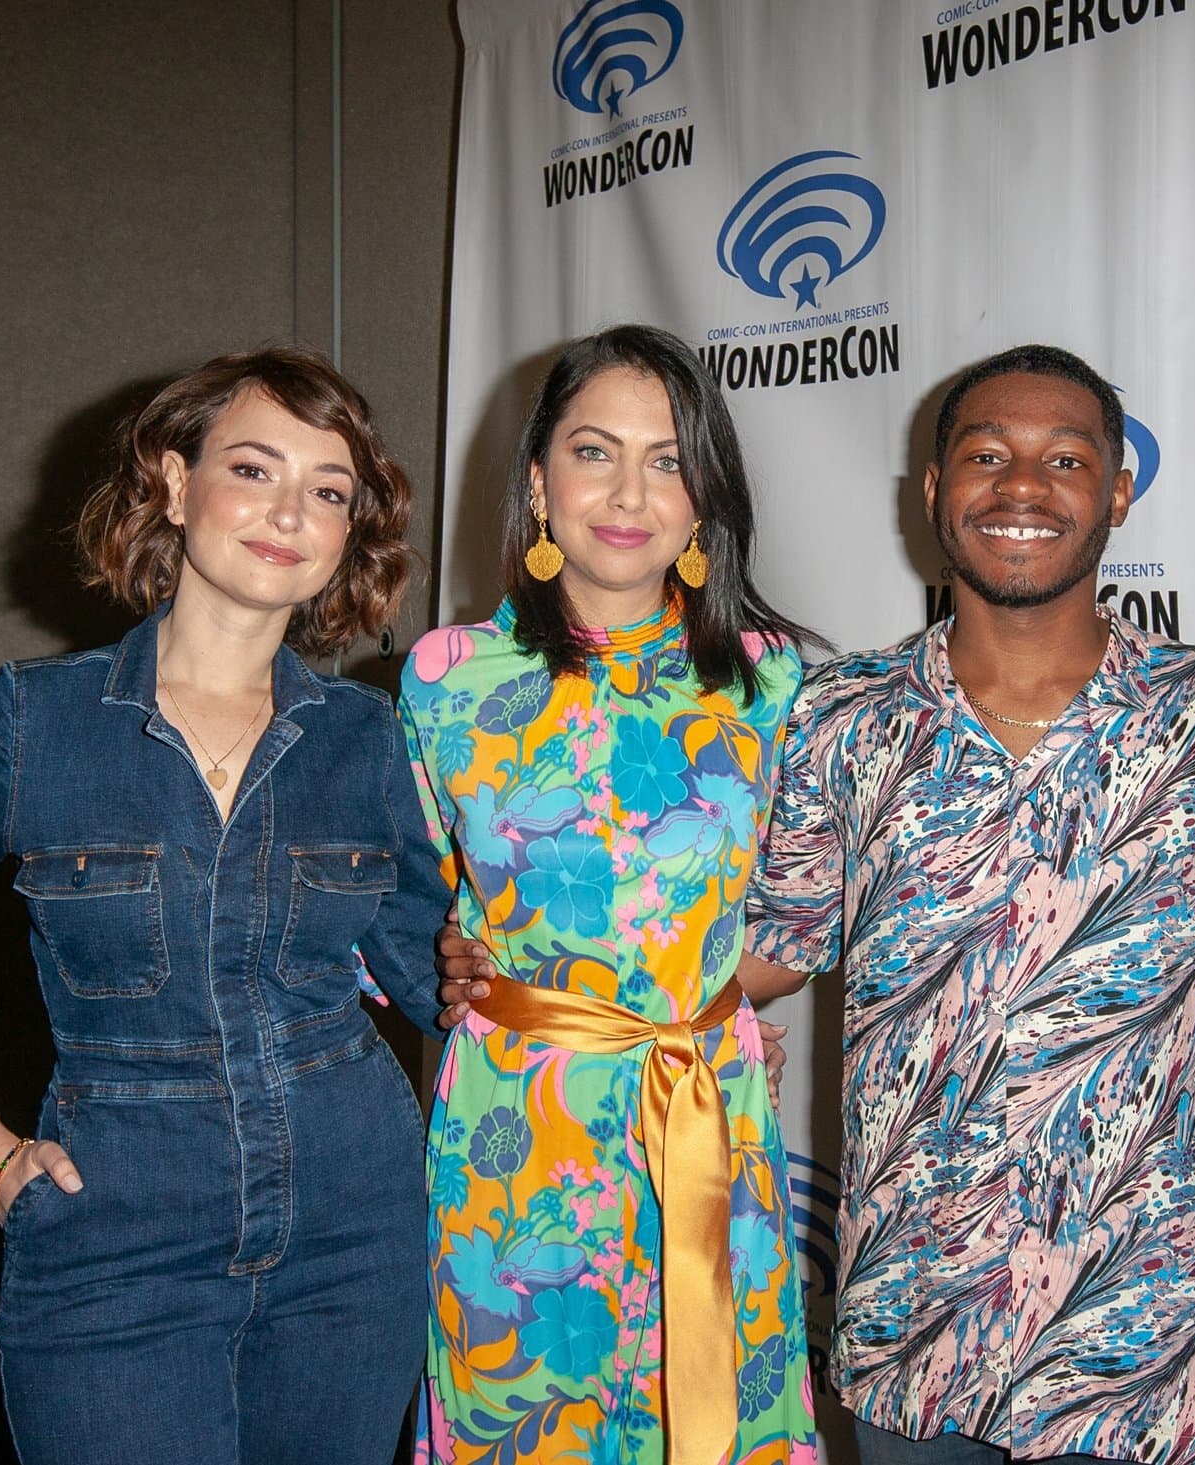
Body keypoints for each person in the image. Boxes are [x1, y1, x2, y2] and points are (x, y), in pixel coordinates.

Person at [0, 347, 454, 1463]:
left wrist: (654, 1020)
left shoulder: (365, 736)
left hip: (357, 1223)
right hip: (113, 1230)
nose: (288, 512)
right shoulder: (26, 725)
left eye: (329, 491)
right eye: (253, 470)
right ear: (172, 479)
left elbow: (436, 975)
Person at [716, 345, 1195, 1464]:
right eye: (986, 455)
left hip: (1132, 1337)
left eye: (1063, 458)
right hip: (914, 1319)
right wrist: (537, 975)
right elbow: (767, 944)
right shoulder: (839, 714)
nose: (1019, 487)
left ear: (1116, 492)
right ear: (932, 492)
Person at [398, 324, 818, 1465]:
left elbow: (804, 909)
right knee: (526, 1415)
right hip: (516, 1137)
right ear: (537, 480)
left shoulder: (771, 677)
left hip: (705, 1112)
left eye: (669, 458)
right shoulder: (444, 679)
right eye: (594, 451)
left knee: (712, 1413)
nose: (630, 491)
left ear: (704, 501)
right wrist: (435, 953)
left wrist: (726, 999)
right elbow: (390, 905)